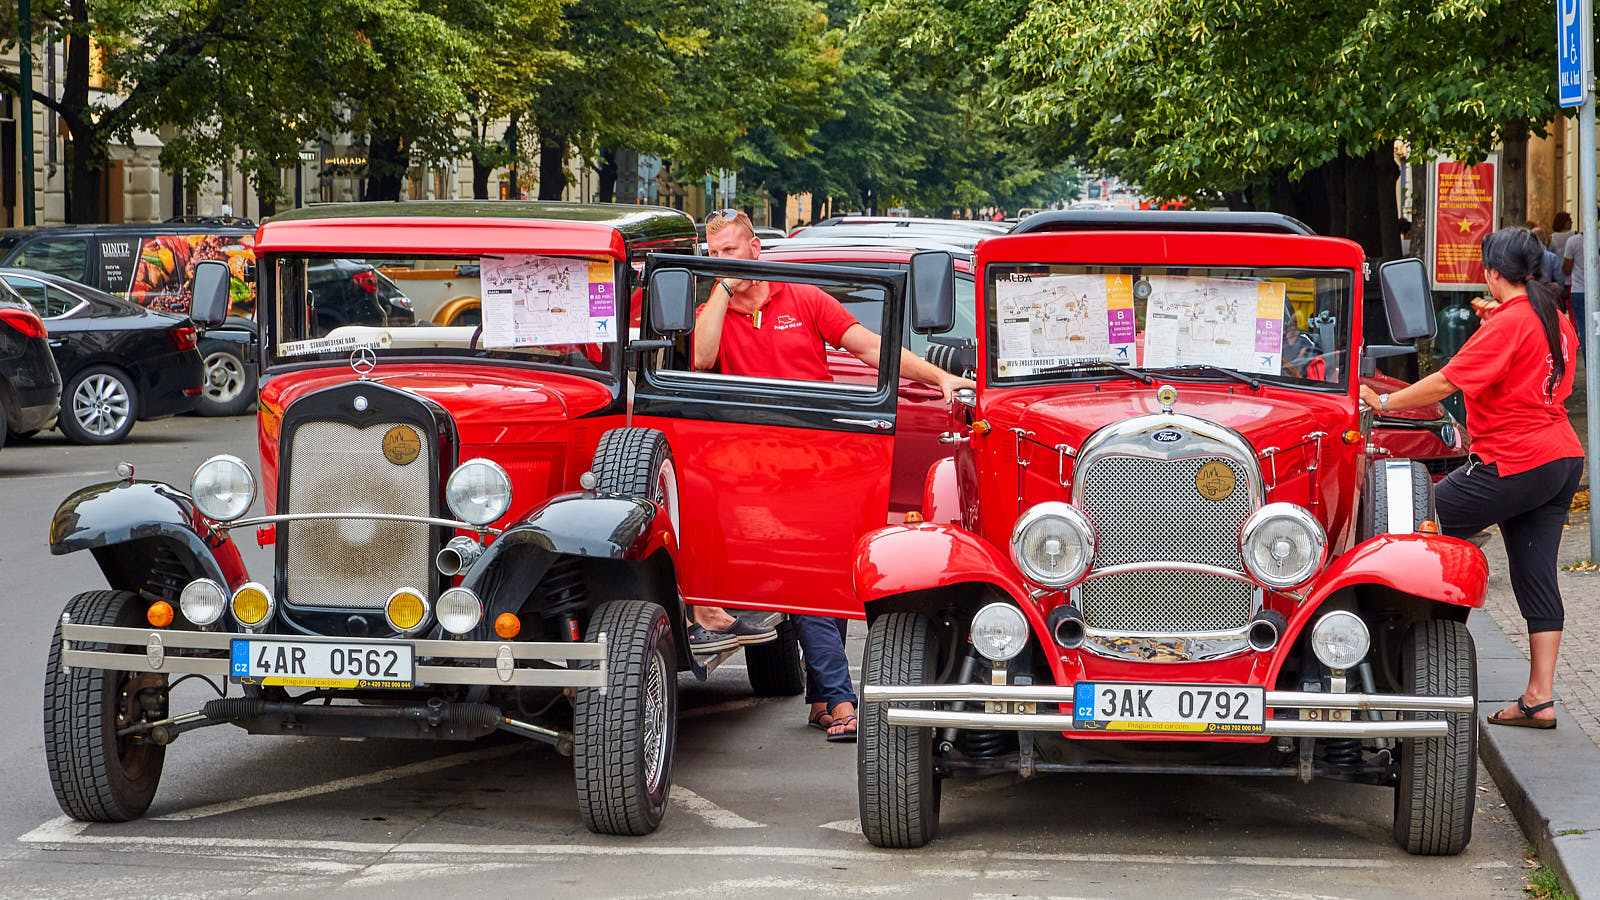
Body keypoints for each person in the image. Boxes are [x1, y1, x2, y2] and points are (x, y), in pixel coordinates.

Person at [695, 208, 976, 740]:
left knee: (826, 574)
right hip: (754, 468)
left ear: (757, 249)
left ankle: (826, 696)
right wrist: (721, 290)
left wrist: (939, 376)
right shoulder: (716, 309)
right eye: (715, 254)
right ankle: (839, 698)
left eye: (733, 250)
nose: (724, 261)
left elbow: (869, 348)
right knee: (806, 574)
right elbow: (703, 360)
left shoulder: (802, 298)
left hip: (818, 457)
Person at [1360, 226, 1581, 730]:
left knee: (1408, 523)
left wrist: (1386, 401)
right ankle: (1539, 699)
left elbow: (1447, 380)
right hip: (1561, 456)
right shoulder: (1554, 315)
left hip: (1514, 458)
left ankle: (1383, 655)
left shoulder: (1509, 324)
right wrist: (1499, 317)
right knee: (1536, 573)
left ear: (1492, 273)